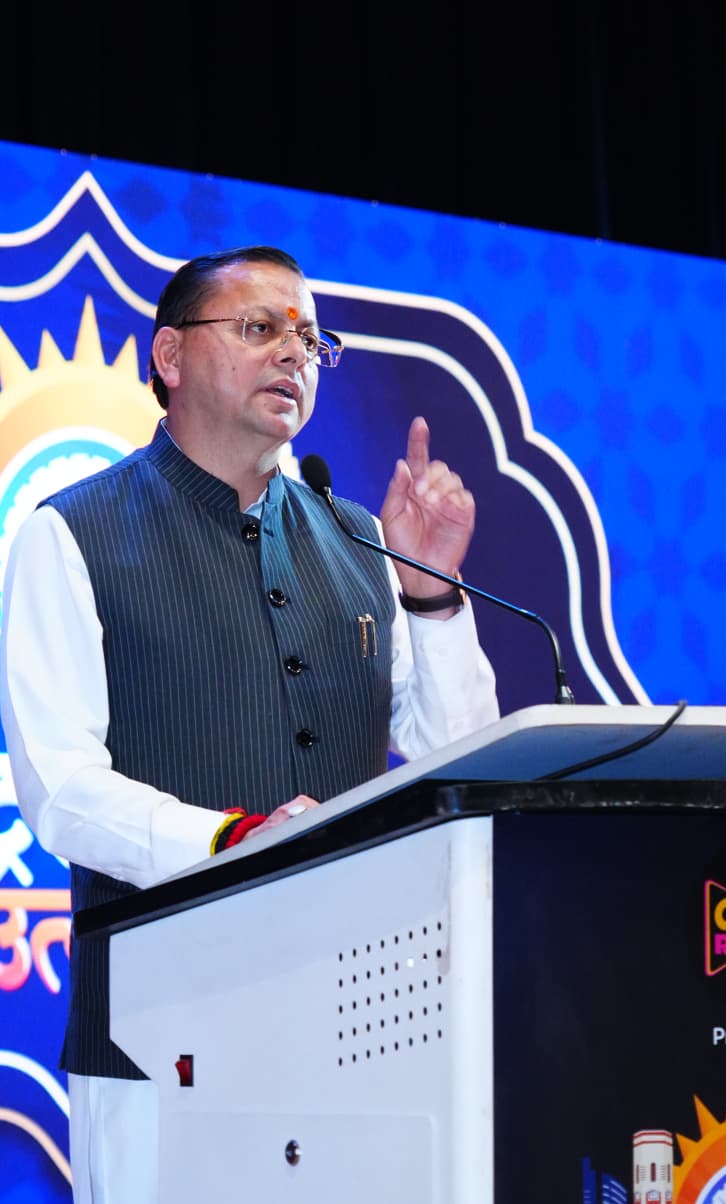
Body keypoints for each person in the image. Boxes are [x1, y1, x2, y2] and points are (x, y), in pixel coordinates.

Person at [0, 245, 499, 1203]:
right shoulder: (72, 534)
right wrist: (230, 842)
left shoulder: (358, 539)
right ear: (170, 356)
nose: (293, 354)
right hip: (154, 1042)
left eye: (309, 339)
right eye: (260, 328)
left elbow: (453, 763)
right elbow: (61, 789)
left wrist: (432, 592)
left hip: (358, 1028)